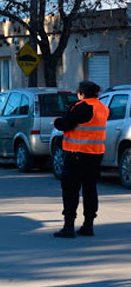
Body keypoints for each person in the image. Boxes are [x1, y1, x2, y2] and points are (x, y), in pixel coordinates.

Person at [53, 81, 109, 238]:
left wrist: (56, 122)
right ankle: (88, 225)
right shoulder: (102, 108)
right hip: (96, 154)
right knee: (90, 190)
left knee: (70, 189)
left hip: (77, 153)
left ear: (82, 93)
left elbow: (65, 124)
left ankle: (68, 226)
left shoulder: (82, 106)